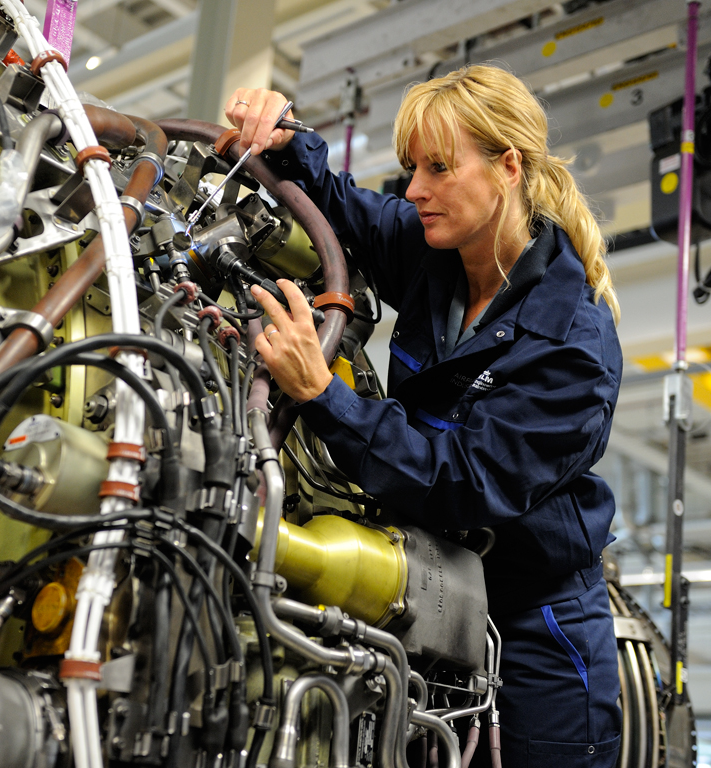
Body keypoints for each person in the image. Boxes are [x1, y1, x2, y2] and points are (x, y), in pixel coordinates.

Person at [225, 65, 623, 766]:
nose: (414, 190)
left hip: (532, 618)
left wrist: (325, 397)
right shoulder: (435, 245)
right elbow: (341, 205)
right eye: (412, 167)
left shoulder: (573, 342)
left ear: (508, 166)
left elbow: (467, 480)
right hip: (426, 578)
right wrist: (282, 135)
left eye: (439, 167)